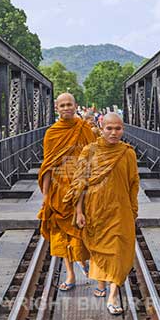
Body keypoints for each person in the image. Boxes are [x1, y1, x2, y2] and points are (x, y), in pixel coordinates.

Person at [65, 113, 139, 315]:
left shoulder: (127, 153)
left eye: (118, 129)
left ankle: (113, 294)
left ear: (123, 129)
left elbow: (134, 183)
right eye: (109, 128)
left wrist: (133, 208)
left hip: (120, 210)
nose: (114, 133)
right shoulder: (89, 151)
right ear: (101, 127)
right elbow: (80, 183)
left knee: (117, 251)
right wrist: (79, 211)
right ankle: (100, 283)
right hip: (95, 209)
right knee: (98, 249)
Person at [38, 93, 96, 291]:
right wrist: (46, 197)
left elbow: (94, 160)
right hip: (58, 190)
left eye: (69, 104)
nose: (66, 108)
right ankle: (70, 274)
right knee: (61, 234)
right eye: (62, 105)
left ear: (75, 105)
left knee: (82, 231)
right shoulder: (52, 133)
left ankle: (84, 260)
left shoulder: (85, 129)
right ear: (57, 108)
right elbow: (47, 167)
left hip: (83, 188)